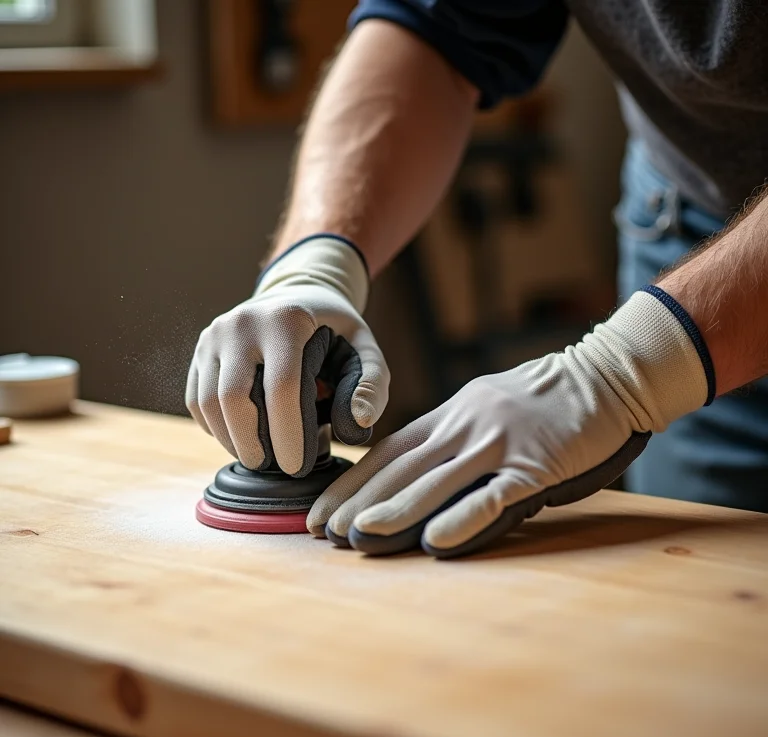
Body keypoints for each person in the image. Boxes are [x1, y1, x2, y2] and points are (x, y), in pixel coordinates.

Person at [186, 2, 768, 558]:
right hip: (693, 211)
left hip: (687, 310)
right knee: (706, 579)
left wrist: (625, 374)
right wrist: (314, 264)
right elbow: (436, 27)